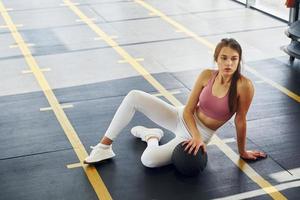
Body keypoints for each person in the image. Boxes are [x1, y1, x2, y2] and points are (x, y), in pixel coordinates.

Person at [84, 38, 267, 167]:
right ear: (216, 59)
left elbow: (240, 120)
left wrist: (242, 152)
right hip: (183, 117)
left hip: (200, 135)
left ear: (239, 60)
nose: (229, 63)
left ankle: (151, 136)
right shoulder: (206, 75)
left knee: (149, 160)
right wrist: (194, 133)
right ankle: (104, 147)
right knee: (134, 96)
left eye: (234, 59)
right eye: (224, 58)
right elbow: (188, 110)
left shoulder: (245, 86)